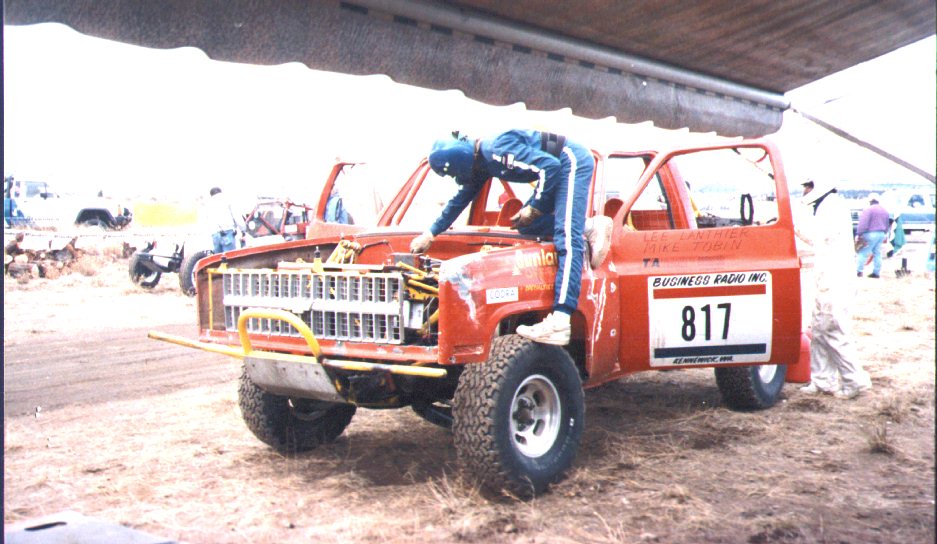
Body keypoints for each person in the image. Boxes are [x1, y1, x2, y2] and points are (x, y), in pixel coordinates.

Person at [409, 129, 611, 346]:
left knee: (567, 237)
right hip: (556, 165)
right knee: (528, 225)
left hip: (571, 160)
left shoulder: (496, 150)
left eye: (452, 174)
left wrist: (534, 206)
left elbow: (550, 166)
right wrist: (430, 233)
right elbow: (460, 200)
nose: (456, 179)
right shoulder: (482, 163)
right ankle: (588, 226)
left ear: (459, 163)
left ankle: (560, 321)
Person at [795, 179, 872, 399]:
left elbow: (819, 237)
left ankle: (855, 381)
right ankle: (823, 381)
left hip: (835, 280)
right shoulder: (826, 205)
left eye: (807, 186)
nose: (804, 191)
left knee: (833, 330)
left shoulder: (831, 207)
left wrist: (794, 227)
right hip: (827, 279)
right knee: (819, 331)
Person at [855, 194, 890, 278]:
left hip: (870, 234)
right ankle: (876, 272)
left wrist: (859, 234)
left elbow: (863, 223)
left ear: (870, 201)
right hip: (881, 234)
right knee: (877, 253)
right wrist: (885, 233)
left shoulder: (868, 210)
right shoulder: (884, 210)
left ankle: (859, 271)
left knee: (863, 252)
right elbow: (887, 224)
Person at [206, 187, 246, 253]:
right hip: (227, 233)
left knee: (218, 258)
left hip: (215, 235)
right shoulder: (227, 200)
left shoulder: (208, 204)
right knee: (229, 257)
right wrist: (243, 230)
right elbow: (236, 216)